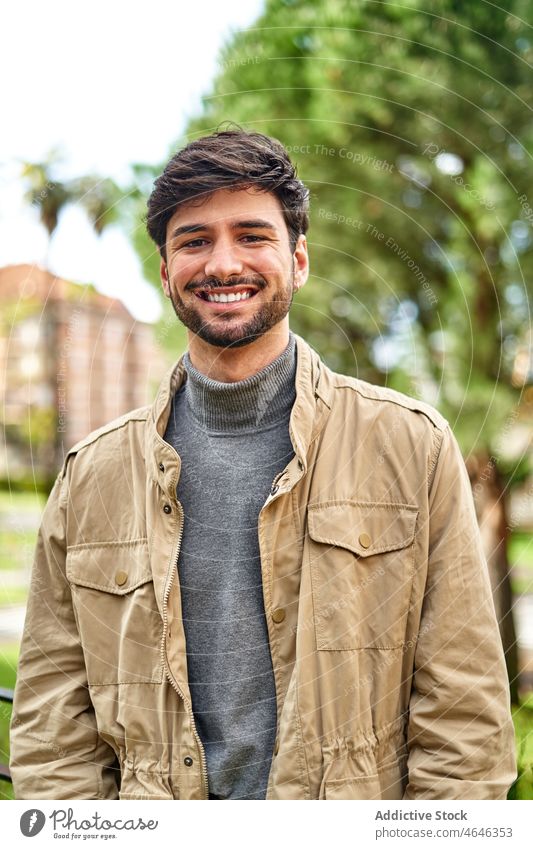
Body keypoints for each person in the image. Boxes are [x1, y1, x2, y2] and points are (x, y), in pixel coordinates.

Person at [10, 129, 516, 800]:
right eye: (193, 241)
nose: (223, 264)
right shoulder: (91, 476)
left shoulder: (410, 446)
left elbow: (463, 726)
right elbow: (54, 729)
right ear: (164, 271)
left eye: (252, 235)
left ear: (297, 259)